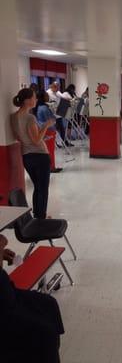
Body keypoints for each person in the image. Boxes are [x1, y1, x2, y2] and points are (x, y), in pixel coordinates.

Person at [0, 234, 64, 363]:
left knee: (49, 304)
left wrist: (2, 253)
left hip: (9, 293)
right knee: (44, 332)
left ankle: (51, 351)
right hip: (4, 309)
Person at [11, 88, 54, 219]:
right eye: (34, 98)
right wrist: (46, 126)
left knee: (37, 186)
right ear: (27, 100)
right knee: (43, 188)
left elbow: (20, 137)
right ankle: (41, 217)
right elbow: (36, 141)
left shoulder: (13, 117)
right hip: (40, 155)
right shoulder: (30, 117)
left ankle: (38, 214)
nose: (36, 100)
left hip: (26, 156)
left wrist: (39, 136)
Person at [34, 90, 63, 173]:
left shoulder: (39, 107)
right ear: (43, 98)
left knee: (47, 150)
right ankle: (51, 167)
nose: (48, 97)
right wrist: (54, 118)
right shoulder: (44, 108)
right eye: (46, 95)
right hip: (49, 131)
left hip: (44, 131)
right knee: (50, 150)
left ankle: (48, 167)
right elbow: (50, 120)